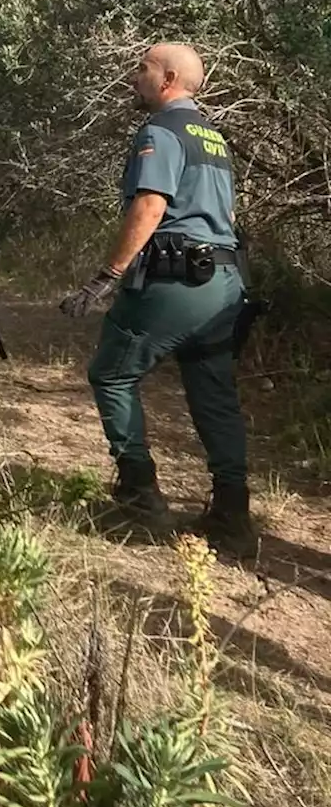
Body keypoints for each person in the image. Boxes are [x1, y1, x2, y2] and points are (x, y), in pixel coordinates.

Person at [60, 43, 253, 555]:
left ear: (167, 78)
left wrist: (108, 275)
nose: (135, 74)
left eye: (142, 67)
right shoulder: (214, 137)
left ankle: (139, 493)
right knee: (212, 391)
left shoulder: (161, 132)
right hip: (223, 282)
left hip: (174, 280)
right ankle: (234, 514)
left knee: (112, 373)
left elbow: (150, 206)